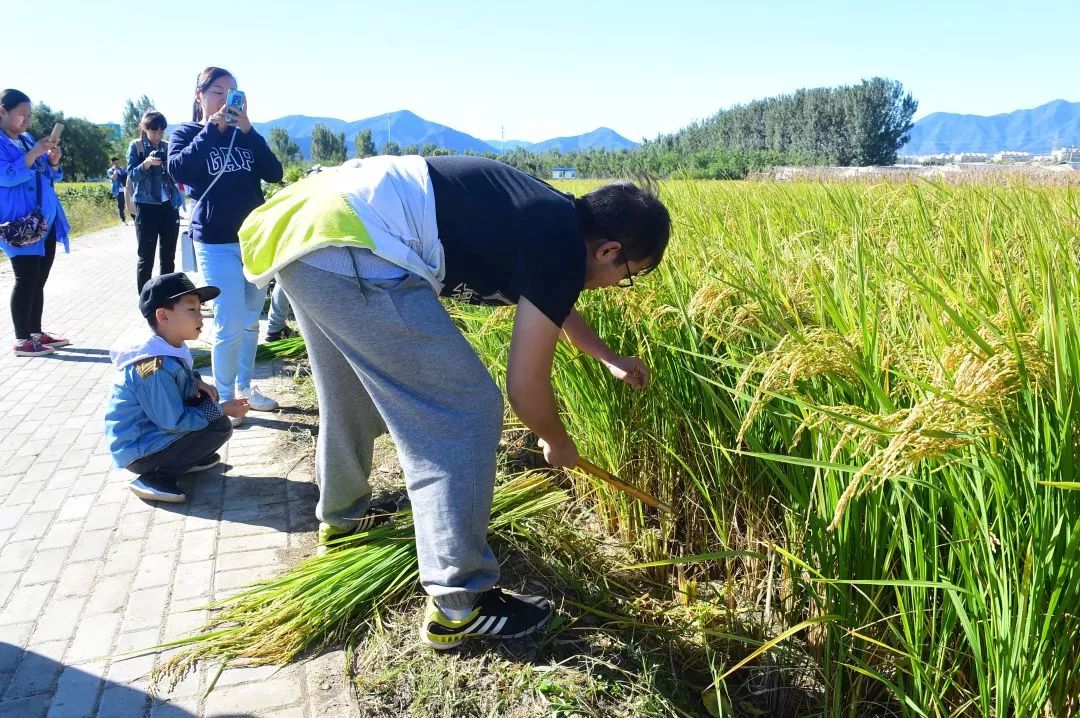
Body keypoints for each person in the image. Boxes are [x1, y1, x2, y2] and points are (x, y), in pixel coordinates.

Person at [239, 155, 670, 649]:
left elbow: (556, 300)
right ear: (609, 250)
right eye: (631, 273)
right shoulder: (560, 247)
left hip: (307, 231)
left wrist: (607, 356)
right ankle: (460, 605)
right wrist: (557, 441)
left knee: (349, 393)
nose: (621, 284)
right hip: (352, 245)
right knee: (467, 411)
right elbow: (524, 388)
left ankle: (344, 524)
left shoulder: (550, 218)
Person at [168, 67, 284, 423]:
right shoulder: (187, 133)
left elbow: (274, 173)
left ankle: (247, 390)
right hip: (215, 242)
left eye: (232, 92)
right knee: (229, 320)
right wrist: (211, 130)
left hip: (253, 240)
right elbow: (180, 170)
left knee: (251, 321)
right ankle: (226, 398)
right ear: (199, 96)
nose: (225, 98)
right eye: (217, 91)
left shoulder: (245, 136)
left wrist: (247, 129)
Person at [105, 272, 250, 503]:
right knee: (219, 426)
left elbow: (181, 370)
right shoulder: (152, 367)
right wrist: (223, 409)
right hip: (140, 449)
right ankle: (156, 477)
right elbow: (174, 422)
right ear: (163, 316)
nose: (201, 318)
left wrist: (196, 381)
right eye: (192, 310)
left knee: (206, 406)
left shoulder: (167, 347)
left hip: (153, 433)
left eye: (201, 309)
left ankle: (183, 459)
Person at [0, 89, 72, 357]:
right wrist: (34, 154)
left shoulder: (27, 139)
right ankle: (21, 339)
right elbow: (6, 176)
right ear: (2, 111)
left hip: (45, 219)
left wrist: (52, 162)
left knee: (38, 279)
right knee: (25, 278)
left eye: (29, 115)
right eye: (21, 114)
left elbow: (48, 176)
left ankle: (35, 333)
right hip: (18, 223)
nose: (26, 120)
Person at [127, 110, 183, 294]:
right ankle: (145, 297)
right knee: (146, 257)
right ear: (145, 129)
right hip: (146, 206)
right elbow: (132, 176)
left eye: (161, 131)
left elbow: (177, 173)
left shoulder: (168, 146)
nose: (158, 136)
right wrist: (147, 163)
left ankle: (166, 295)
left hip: (169, 206)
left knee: (168, 256)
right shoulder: (136, 147)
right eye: (154, 131)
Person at [106, 157, 128, 225]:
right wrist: (115, 170)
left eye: (119, 162)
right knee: (120, 206)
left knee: (127, 204)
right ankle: (123, 220)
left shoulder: (122, 170)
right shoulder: (110, 171)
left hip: (125, 189)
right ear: (113, 163)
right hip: (117, 190)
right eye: (117, 163)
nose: (119, 164)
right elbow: (113, 178)